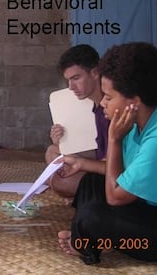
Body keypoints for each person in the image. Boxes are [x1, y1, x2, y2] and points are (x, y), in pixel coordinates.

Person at [57, 42, 157, 265]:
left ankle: (87, 240)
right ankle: (86, 238)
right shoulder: (137, 121)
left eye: (109, 97)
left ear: (134, 103)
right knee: (90, 182)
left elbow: (115, 197)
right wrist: (82, 164)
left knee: (93, 217)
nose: (102, 102)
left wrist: (114, 139)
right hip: (145, 205)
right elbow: (118, 170)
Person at [45, 44, 110, 200]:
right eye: (68, 80)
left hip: (114, 172)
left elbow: (117, 165)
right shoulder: (94, 104)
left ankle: (82, 196)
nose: (71, 87)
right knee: (53, 151)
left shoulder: (110, 106)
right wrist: (62, 140)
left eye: (76, 78)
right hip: (101, 160)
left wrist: (80, 163)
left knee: (59, 182)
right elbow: (98, 149)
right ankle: (78, 194)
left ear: (95, 73)